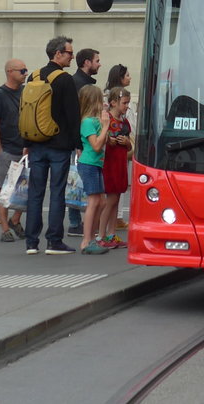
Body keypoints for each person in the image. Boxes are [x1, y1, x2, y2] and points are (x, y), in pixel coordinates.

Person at [24, 36, 80, 255]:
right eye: (69, 53)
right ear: (58, 54)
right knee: (57, 192)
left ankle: (31, 242)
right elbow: (73, 114)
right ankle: (54, 241)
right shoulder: (65, 79)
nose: (72, 57)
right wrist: (78, 144)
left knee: (35, 192)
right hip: (59, 144)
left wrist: (26, 142)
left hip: (36, 143)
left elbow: (26, 111)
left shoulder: (34, 76)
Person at [0, 59, 28, 242]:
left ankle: (15, 219)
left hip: (25, 148)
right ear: (10, 72)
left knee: (26, 189)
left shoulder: (26, 92)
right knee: (3, 190)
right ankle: (5, 229)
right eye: (22, 70)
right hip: (7, 148)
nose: (25, 73)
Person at [76, 85, 112, 254]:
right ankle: (86, 240)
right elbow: (96, 146)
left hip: (96, 163)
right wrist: (104, 127)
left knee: (102, 201)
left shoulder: (94, 121)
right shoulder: (87, 122)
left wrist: (106, 128)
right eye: (101, 99)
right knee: (94, 201)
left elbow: (104, 142)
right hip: (89, 163)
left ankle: (92, 237)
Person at [68, 48, 100, 237]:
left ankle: (80, 221)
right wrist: (78, 143)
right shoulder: (78, 84)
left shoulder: (82, 82)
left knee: (78, 181)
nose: (99, 64)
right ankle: (75, 222)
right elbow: (75, 115)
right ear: (87, 62)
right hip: (82, 140)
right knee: (77, 181)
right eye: (97, 60)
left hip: (82, 139)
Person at [97, 85, 132, 249]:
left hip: (120, 163)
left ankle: (111, 234)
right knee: (110, 200)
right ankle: (101, 235)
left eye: (127, 103)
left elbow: (130, 146)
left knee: (116, 199)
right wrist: (108, 140)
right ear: (113, 102)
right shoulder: (106, 120)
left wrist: (127, 143)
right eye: (124, 103)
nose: (127, 106)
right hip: (109, 163)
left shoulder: (124, 122)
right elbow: (97, 140)